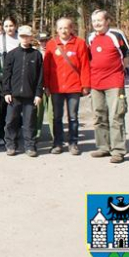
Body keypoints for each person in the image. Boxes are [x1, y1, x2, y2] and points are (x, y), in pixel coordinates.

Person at [87, 9, 129, 164]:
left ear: (107, 21)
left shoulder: (116, 35)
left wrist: (121, 73)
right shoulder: (91, 37)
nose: (97, 24)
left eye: (99, 20)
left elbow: (126, 55)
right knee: (99, 115)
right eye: (94, 21)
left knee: (116, 116)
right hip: (96, 83)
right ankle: (103, 147)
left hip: (114, 83)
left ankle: (118, 151)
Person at [44, 17, 90, 156]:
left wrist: (86, 84)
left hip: (74, 87)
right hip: (56, 87)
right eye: (60, 28)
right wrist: (46, 85)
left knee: (73, 117)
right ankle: (57, 143)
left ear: (71, 29)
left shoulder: (80, 43)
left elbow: (85, 66)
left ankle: (73, 143)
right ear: (57, 30)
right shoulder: (51, 44)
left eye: (66, 27)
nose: (63, 30)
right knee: (57, 117)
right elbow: (46, 67)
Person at [3, 26, 44, 157]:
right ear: (19, 37)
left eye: (27, 36)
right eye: (22, 36)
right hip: (13, 96)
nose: (25, 39)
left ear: (32, 37)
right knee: (11, 121)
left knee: (29, 122)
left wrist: (38, 94)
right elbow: (6, 75)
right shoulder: (12, 54)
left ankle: (30, 146)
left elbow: (40, 77)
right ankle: (11, 144)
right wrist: (7, 92)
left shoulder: (36, 55)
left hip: (30, 96)